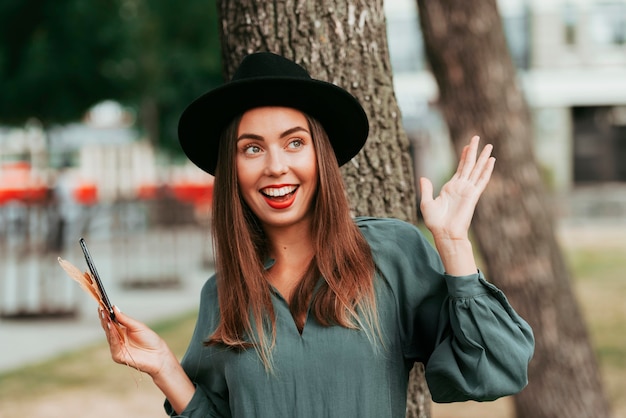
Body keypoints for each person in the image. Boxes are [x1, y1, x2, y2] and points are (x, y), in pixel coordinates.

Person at [100, 52, 534, 418]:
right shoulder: (224, 293)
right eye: (252, 148)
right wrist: (163, 367)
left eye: (294, 142)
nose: (275, 166)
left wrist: (455, 244)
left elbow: (496, 369)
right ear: (232, 170)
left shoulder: (389, 255)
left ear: (320, 156)